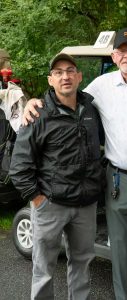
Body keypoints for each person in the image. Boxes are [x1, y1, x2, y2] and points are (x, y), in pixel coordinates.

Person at [22, 28, 127, 300]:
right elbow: (65, 95)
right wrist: (32, 103)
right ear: (114, 56)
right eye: (122, 51)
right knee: (120, 252)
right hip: (118, 181)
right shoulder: (100, 87)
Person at [9, 53, 105, 300]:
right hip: (51, 205)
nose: (65, 76)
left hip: (85, 206)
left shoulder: (92, 110)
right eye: (59, 72)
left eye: (70, 70)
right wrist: (37, 199)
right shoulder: (38, 115)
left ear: (79, 76)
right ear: (50, 80)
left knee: (82, 266)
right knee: (44, 271)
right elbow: (19, 166)